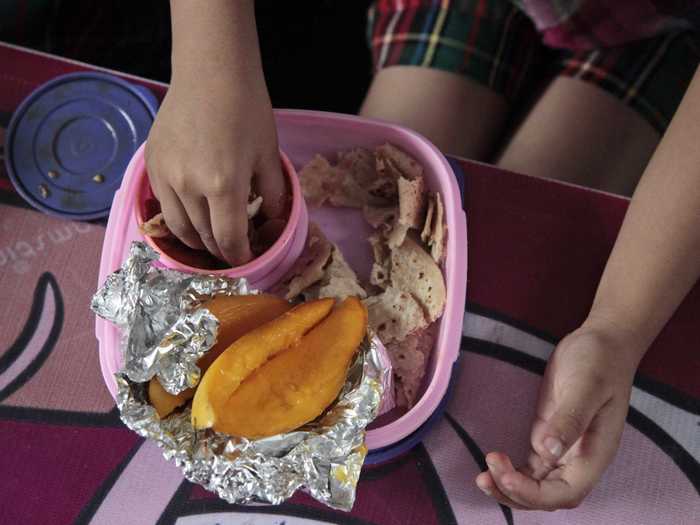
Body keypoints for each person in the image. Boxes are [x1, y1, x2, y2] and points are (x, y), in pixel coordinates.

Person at [145, 0, 700, 511]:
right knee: (401, 142)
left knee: (524, 213)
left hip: (657, 21)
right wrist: (207, 69)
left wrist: (617, 327)